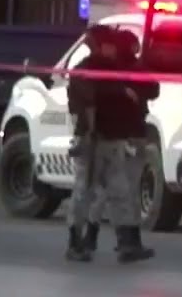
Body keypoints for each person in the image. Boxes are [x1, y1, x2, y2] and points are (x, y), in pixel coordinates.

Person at [65, 25, 160, 263]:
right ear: (98, 46)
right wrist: (122, 93)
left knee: (121, 192)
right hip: (92, 140)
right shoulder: (85, 70)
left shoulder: (115, 69)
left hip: (113, 139)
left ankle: (127, 243)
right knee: (84, 192)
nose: (112, 48)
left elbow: (148, 87)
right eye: (108, 44)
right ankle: (75, 242)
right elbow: (88, 101)